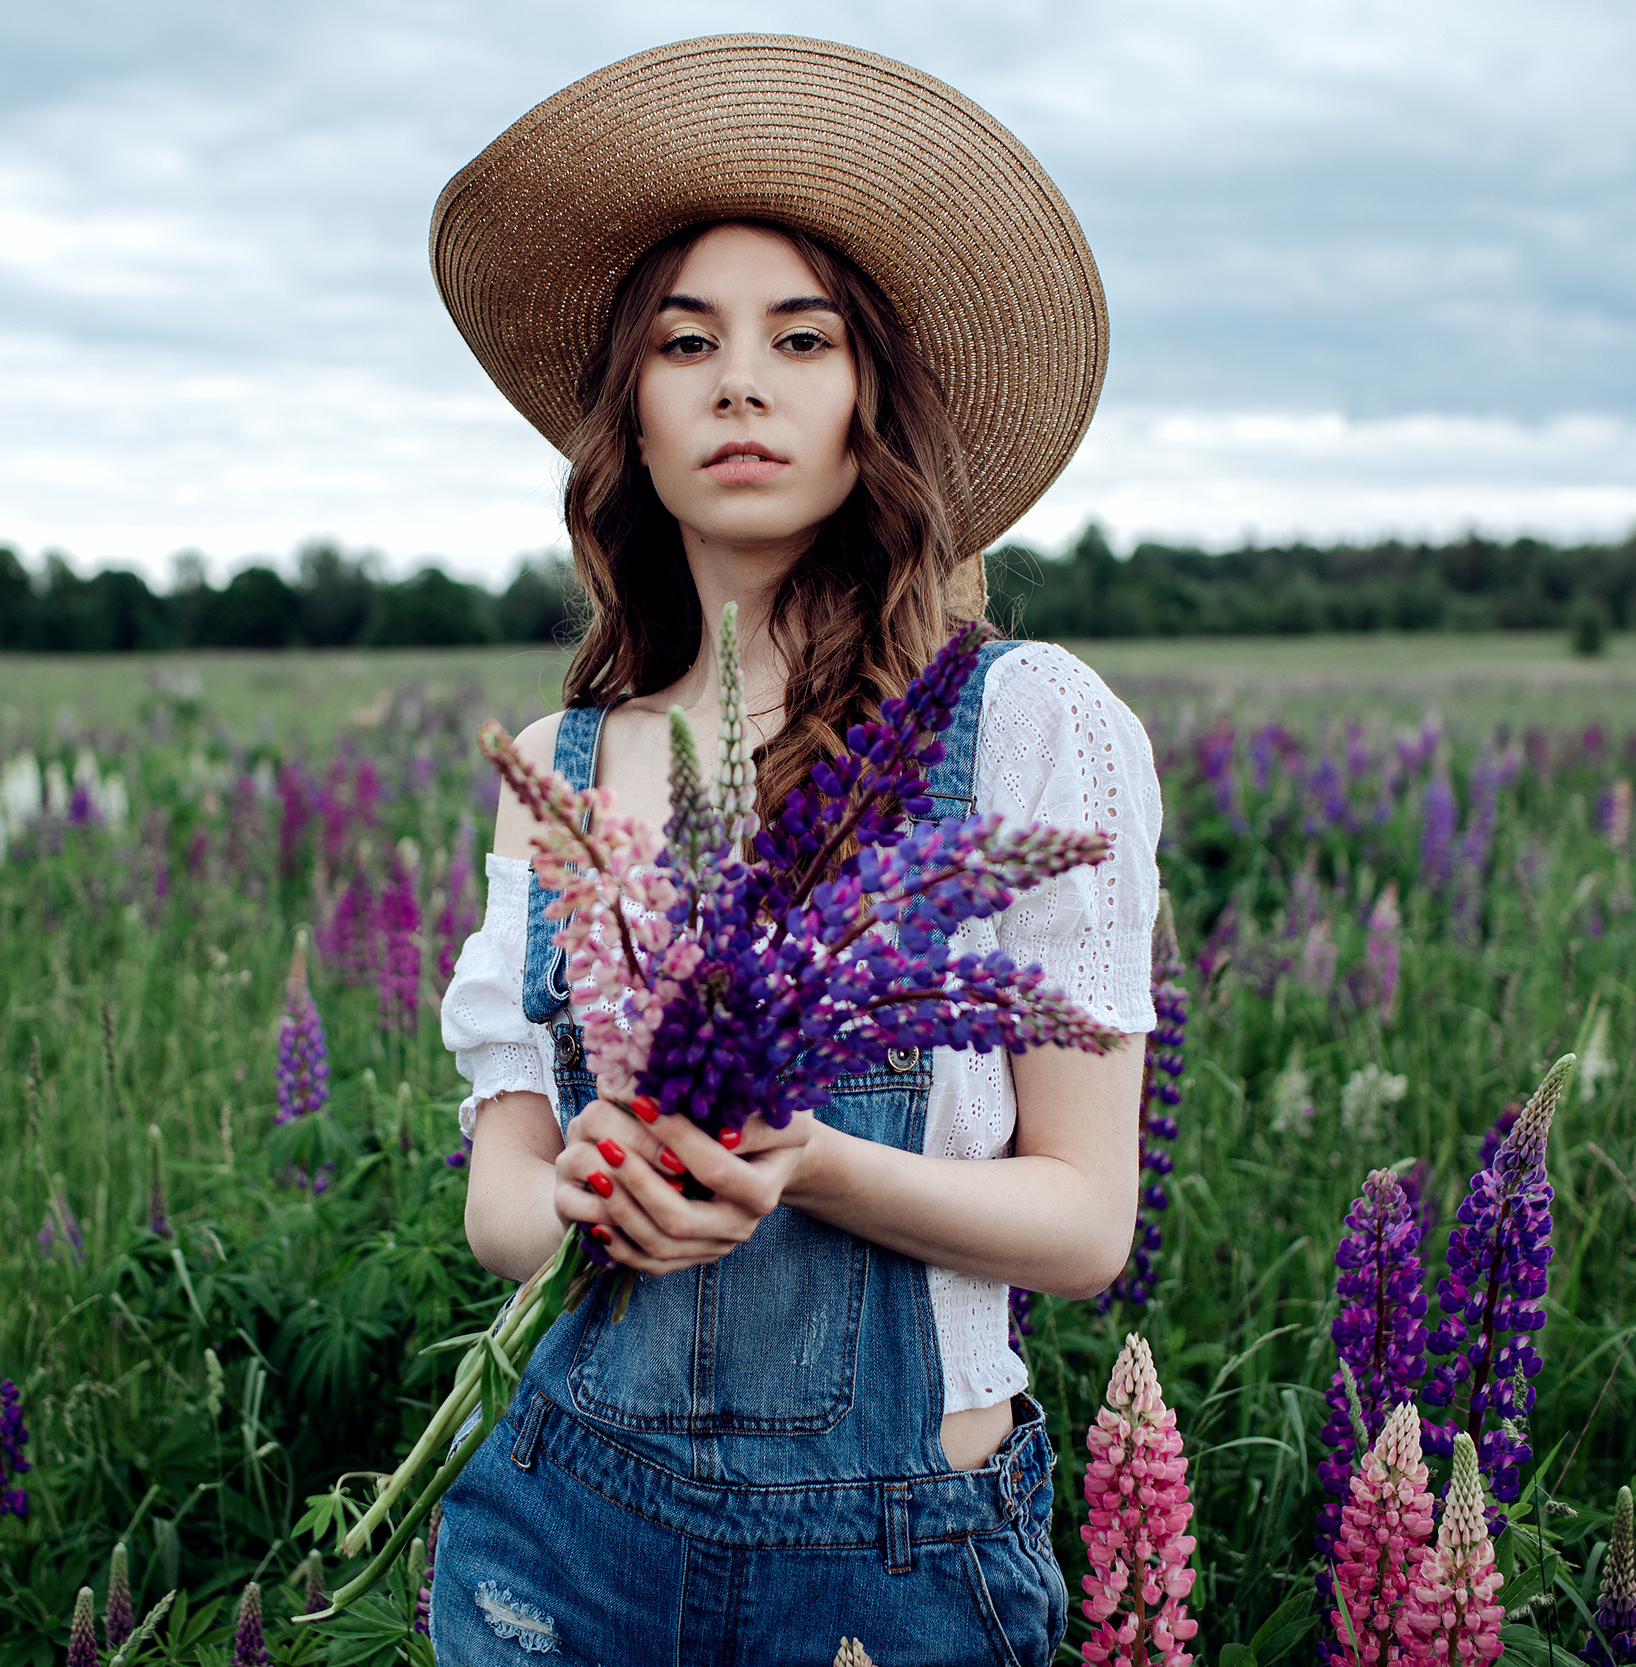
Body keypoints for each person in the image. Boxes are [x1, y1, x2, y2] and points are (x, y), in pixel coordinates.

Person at [430, 35, 1162, 1664]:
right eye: (686, 343)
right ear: (632, 406)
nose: (740, 383)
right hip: (557, 1537)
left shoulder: (1029, 727)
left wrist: (808, 1163)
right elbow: (498, 1203)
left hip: (888, 1557)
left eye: (801, 339)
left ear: (868, 401)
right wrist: (595, 1189)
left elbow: (1087, 1225)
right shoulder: (559, 765)